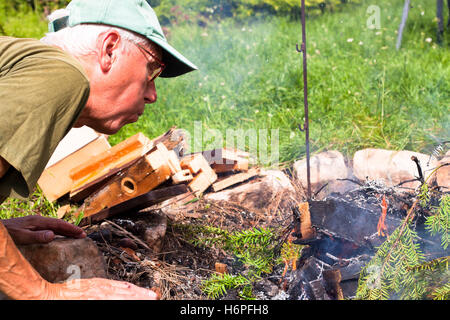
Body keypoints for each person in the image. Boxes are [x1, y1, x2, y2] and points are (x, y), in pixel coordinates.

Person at [0, 0, 197, 300]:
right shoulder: (62, 75)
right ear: (110, 49)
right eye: (152, 69)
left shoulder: (35, 69)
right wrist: (42, 293)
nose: (152, 94)